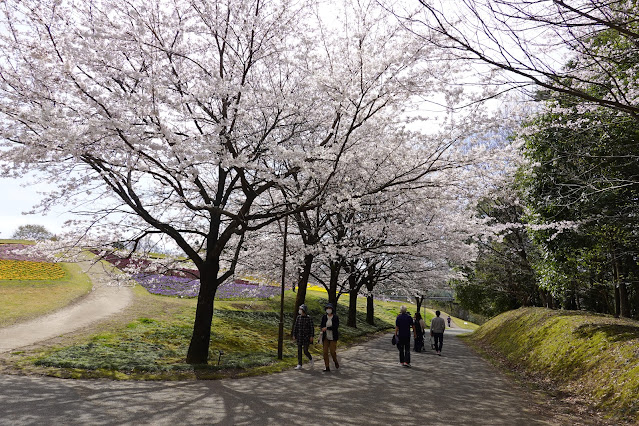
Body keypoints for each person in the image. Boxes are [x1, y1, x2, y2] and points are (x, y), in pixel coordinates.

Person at [292, 304, 314, 369]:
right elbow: (295, 327)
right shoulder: (298, 317)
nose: (300, 311)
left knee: (305, 350)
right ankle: (299, 364)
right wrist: (294, 335)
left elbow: (312, 328)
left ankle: (310, 358)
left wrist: (311, 336)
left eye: (301, 309)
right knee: (299, 350)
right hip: (299, 336)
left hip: (306, 337)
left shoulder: (309, 318)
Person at [320, 302, 340, 372]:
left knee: (332, 351)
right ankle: (327, 367)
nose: (328, 310)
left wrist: (327, 328)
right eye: (327, 308)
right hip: (326, 337)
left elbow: (336, 326)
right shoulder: (324, 317)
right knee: (325, 352)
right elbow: (322, 325)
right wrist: (322, 329)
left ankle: (335, 361)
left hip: (333, 337)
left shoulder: (335, 317)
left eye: (330, 308)